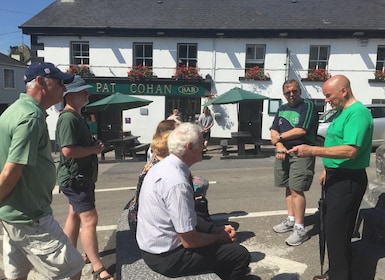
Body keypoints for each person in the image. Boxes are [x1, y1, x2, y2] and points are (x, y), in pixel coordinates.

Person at [0, 62, 84, 280]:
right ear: (40, 82)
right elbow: (11, 171)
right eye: (59, 83)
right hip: (30, 216)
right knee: (72, 269)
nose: (64, 89)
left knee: (17, 274)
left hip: (14, 214)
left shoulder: (13, 111)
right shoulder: (31, 117)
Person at [136, 123, 250, 279]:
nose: (204, 146)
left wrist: (217, 230)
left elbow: (187, 219)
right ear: (189, 147)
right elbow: (190, 241)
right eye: (201, 142)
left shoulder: (162, 166)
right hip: (166, 257)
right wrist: (220, 237)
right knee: (239, 255)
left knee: (223, 248)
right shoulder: (177, 183)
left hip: (151, 247)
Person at [288, 75, 373, 280]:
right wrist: (328, 168)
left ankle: (340, 276)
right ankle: (336, 272)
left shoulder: (358, 113)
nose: (326, 100)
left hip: (348, 180)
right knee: (334, 231)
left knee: (338, 232)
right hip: (338, 176)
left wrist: (312, 150)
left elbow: (350, 150)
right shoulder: (343, 112)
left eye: (328, 95)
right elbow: (336, 144)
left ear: (344, 91)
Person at [56, 75, 114, 280]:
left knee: (74, 215)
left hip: (79, 177)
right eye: (83, 92)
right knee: (90, 219)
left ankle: (70, 256)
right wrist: (92, 149)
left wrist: (92, 148)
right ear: (69, 95)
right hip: (76, 178)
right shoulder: (69, 118)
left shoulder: (76, 116)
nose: (87, 94)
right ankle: (98, 268)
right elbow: (67, 150)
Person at [270, 79, 319, 246]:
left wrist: (280, 138)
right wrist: (279, 145)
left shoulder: (307, 106)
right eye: (287, 92)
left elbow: (301, 130)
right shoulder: (282, 109)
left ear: (300, 91)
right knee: (288, 186)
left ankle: (300, 228)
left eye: (294, 91)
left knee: (297, 188)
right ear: (284, 94)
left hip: (301, 151)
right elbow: (274, 129)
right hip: (284, 151)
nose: (291, 94)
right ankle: (291, 219)